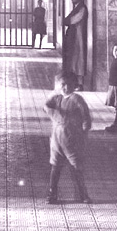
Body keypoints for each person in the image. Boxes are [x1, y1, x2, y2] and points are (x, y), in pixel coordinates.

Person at [44, 71, 92, 204]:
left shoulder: (76, 99)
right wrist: (54, 107)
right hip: (57, 140)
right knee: (55, 167)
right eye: (62, 85)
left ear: (74, 85)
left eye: (69, 85)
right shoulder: (57, 98)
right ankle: (52, 194)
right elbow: (46, 106)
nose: (65, 88)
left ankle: (83, 194)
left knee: (77, 167)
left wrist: (85, 127)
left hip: (72, 138)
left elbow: (85, 113)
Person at [62, 0, 88, 90]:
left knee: (78, 60)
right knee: (74, 60)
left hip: (79, 38)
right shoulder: (77, 8)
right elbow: (66, 21)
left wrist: (67, 20)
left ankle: (79, 83)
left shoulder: (82, 9)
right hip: (74, 38)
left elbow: (70, 21)